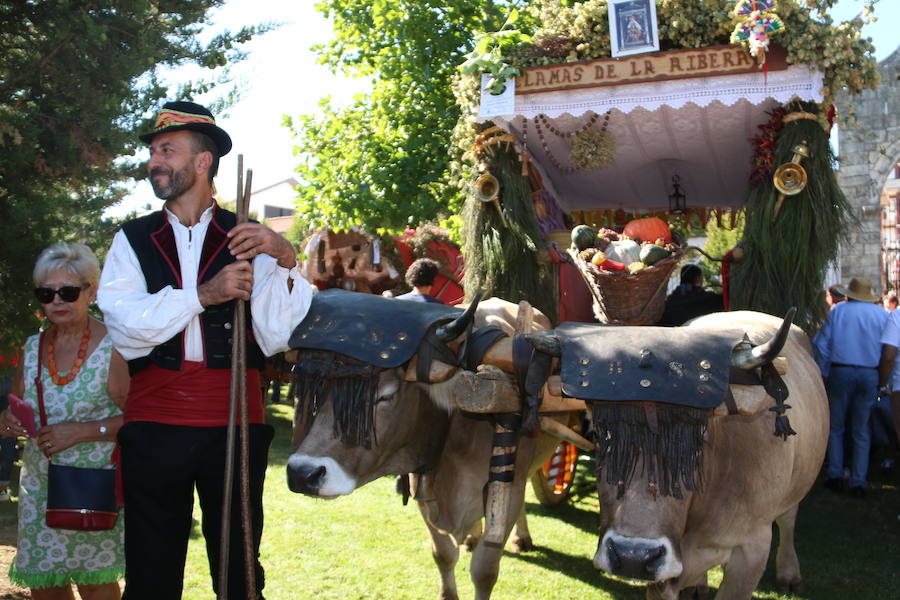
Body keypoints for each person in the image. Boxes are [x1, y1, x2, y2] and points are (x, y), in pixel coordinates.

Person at [97, 101, 315, 599]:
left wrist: (284, 260)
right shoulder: (133, 239)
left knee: (239, 572)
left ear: (202, 162)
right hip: (154, 426)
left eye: (166, 150)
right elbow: (125, 326)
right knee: (151, 573)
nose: (154, 161)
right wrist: (203, 295)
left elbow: (281, 333)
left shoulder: (247, 237)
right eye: (153, 151)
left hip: (236, 423)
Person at [0, 242, 128, 598]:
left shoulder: (114, 346)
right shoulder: (31, 347)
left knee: (95, 584)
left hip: (92, 490)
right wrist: (8, 421)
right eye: (46, 292)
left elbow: (141, 419)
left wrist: (85, 432)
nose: (56, 301)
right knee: (46, 586)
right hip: (40, 489)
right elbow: (15, 411)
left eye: (68, 292)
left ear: (92, 292)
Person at [813, 277, 887, 497]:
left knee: (836, 426)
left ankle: (835, 474)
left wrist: (823, 373)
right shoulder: (881, 314)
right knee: (862, 429)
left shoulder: (839, 311)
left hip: (841, 370)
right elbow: (887, 350)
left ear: (850, 293)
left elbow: (821, 345)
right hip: (869, 372)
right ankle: (858, 481)